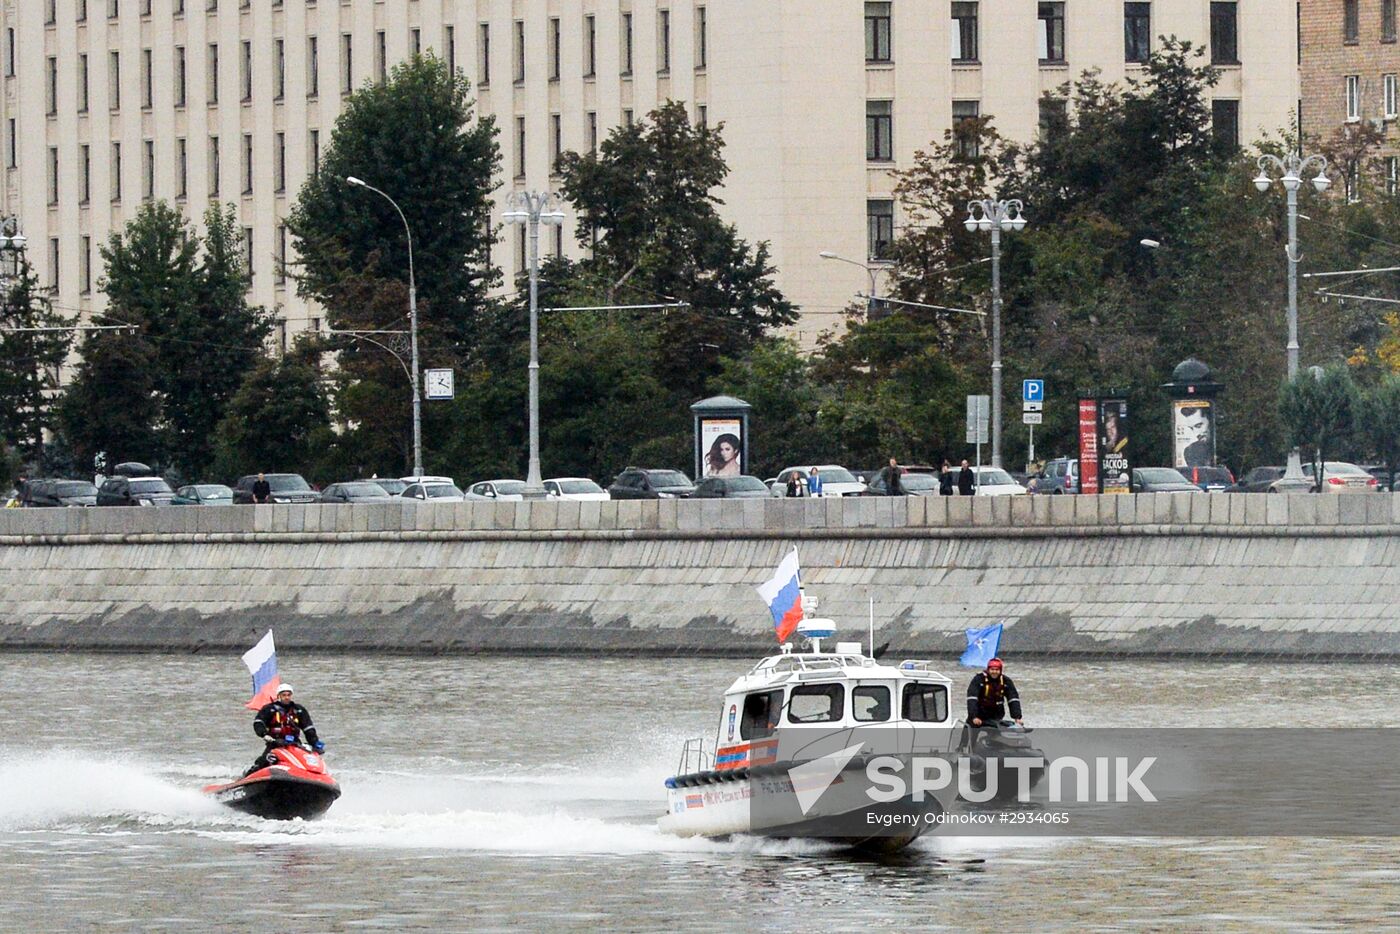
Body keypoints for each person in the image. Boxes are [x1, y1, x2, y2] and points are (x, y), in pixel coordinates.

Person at [245, 684, 324, 775]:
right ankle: (248, 777)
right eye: (284, 695)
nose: (286, 697)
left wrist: (315, 744)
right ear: (279, 696)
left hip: (294, 744)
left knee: (305, 761)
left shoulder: (298, 710)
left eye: (288, 695)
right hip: (275, 743)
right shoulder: (269, 709)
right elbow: (258, 723)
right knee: (264, 760)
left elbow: (309, 729)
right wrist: (264, 734)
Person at [966, 658, 1023, 729]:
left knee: (998, 730)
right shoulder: (978, 679)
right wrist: (974, 716)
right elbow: (972, 699)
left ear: (1000, 670)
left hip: (996, 715)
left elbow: (1013, 699)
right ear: (988, 670)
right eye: (992, 669)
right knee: (969, 732)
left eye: (997, 670)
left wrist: (1017, 717)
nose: (994, 672)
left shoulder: (1006, 681)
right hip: (979, 714)